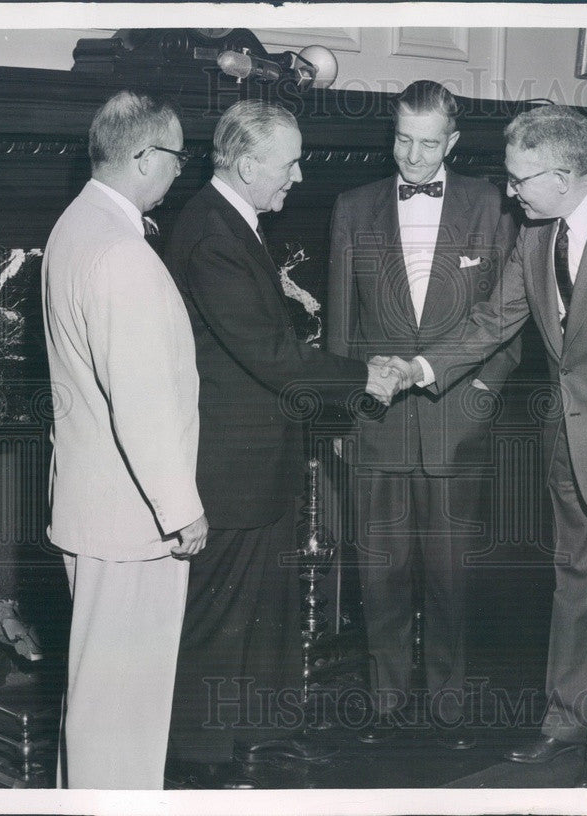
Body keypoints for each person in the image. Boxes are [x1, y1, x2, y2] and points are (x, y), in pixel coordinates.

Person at [383, 104, 587, 786]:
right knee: (574, 590)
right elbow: (493, 320)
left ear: (562, 174)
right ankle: (563, 721)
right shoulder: (537, 235)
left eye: (520, 179)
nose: (509, 191)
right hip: (569, 454)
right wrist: (418, 368)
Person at [164, 99, 395, 785]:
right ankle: (201, 765)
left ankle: (258, 739)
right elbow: (269, 354)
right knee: (220, 621)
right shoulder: (210, 232)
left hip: (256, 462)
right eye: (289, 162)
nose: (298, 176)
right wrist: (362, 379)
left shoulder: (234, 223)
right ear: (246, 163)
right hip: (230, 466)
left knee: (264, 611)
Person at [326, 80, 521, 749]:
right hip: (375, 429)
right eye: (404, 139)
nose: (413, 155)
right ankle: (382, 705)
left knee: (449, 578)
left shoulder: (493, 207)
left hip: (457, 428)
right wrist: (348, 415)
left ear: (454, 142)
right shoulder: (352, 208)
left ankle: (446, 708)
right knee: (378, 573)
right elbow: (340, 335)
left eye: (429, 143)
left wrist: (478, 405)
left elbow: (506, 327)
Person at [41, 90, 207, 789]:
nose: (179, 170)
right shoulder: (122, 255)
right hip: (133, 522)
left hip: (94, 509)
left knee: (95, 709)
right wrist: (181, 508)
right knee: (123, 722)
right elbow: (140, 401)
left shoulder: (75, 227)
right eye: (176, 157)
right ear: (142, 158)